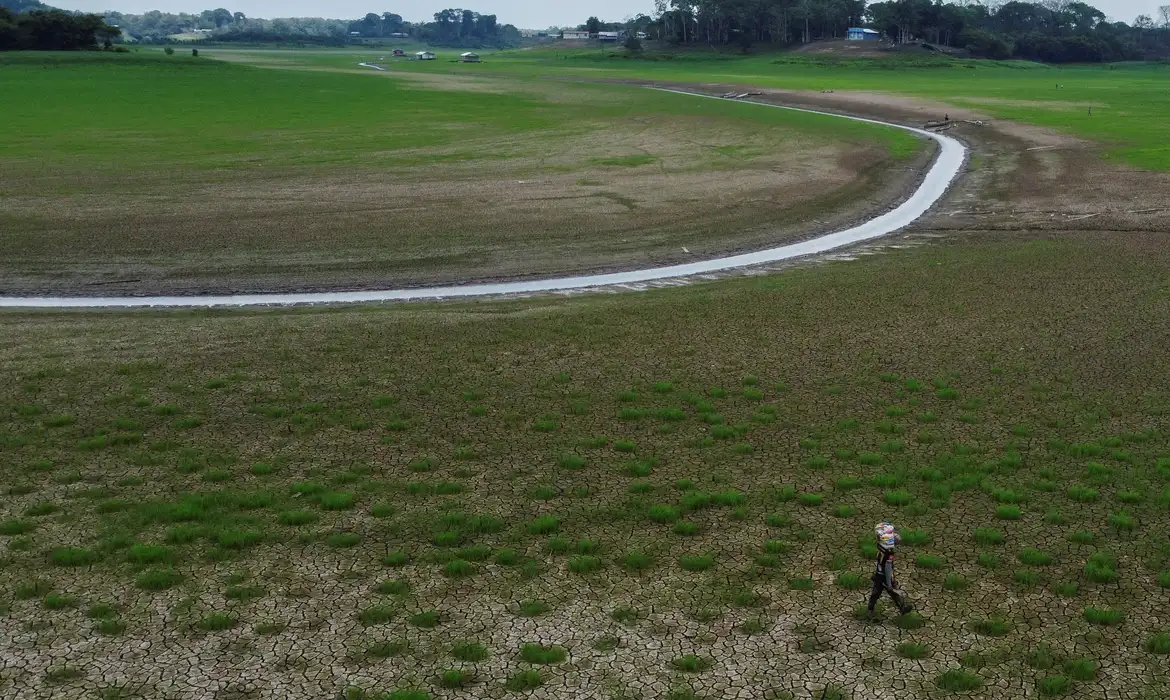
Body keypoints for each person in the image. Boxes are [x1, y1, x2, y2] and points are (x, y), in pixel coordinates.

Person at [867, 522, 913, 619]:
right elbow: (887, 569)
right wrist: (889, 584)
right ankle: (870, 611)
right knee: (885, 593)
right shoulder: (888, 553)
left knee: (876, 593)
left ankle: (870, 610)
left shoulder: (880, 547)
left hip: (879, 574)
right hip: (883, 576)